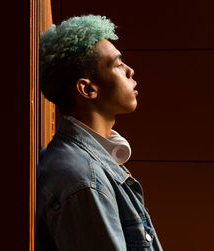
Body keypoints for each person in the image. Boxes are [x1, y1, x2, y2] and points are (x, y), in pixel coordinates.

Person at [36, 15, 163, 251]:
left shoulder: (86, 166)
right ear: (87, 88)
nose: (130, 71)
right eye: (117, 64)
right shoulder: (83, 181)